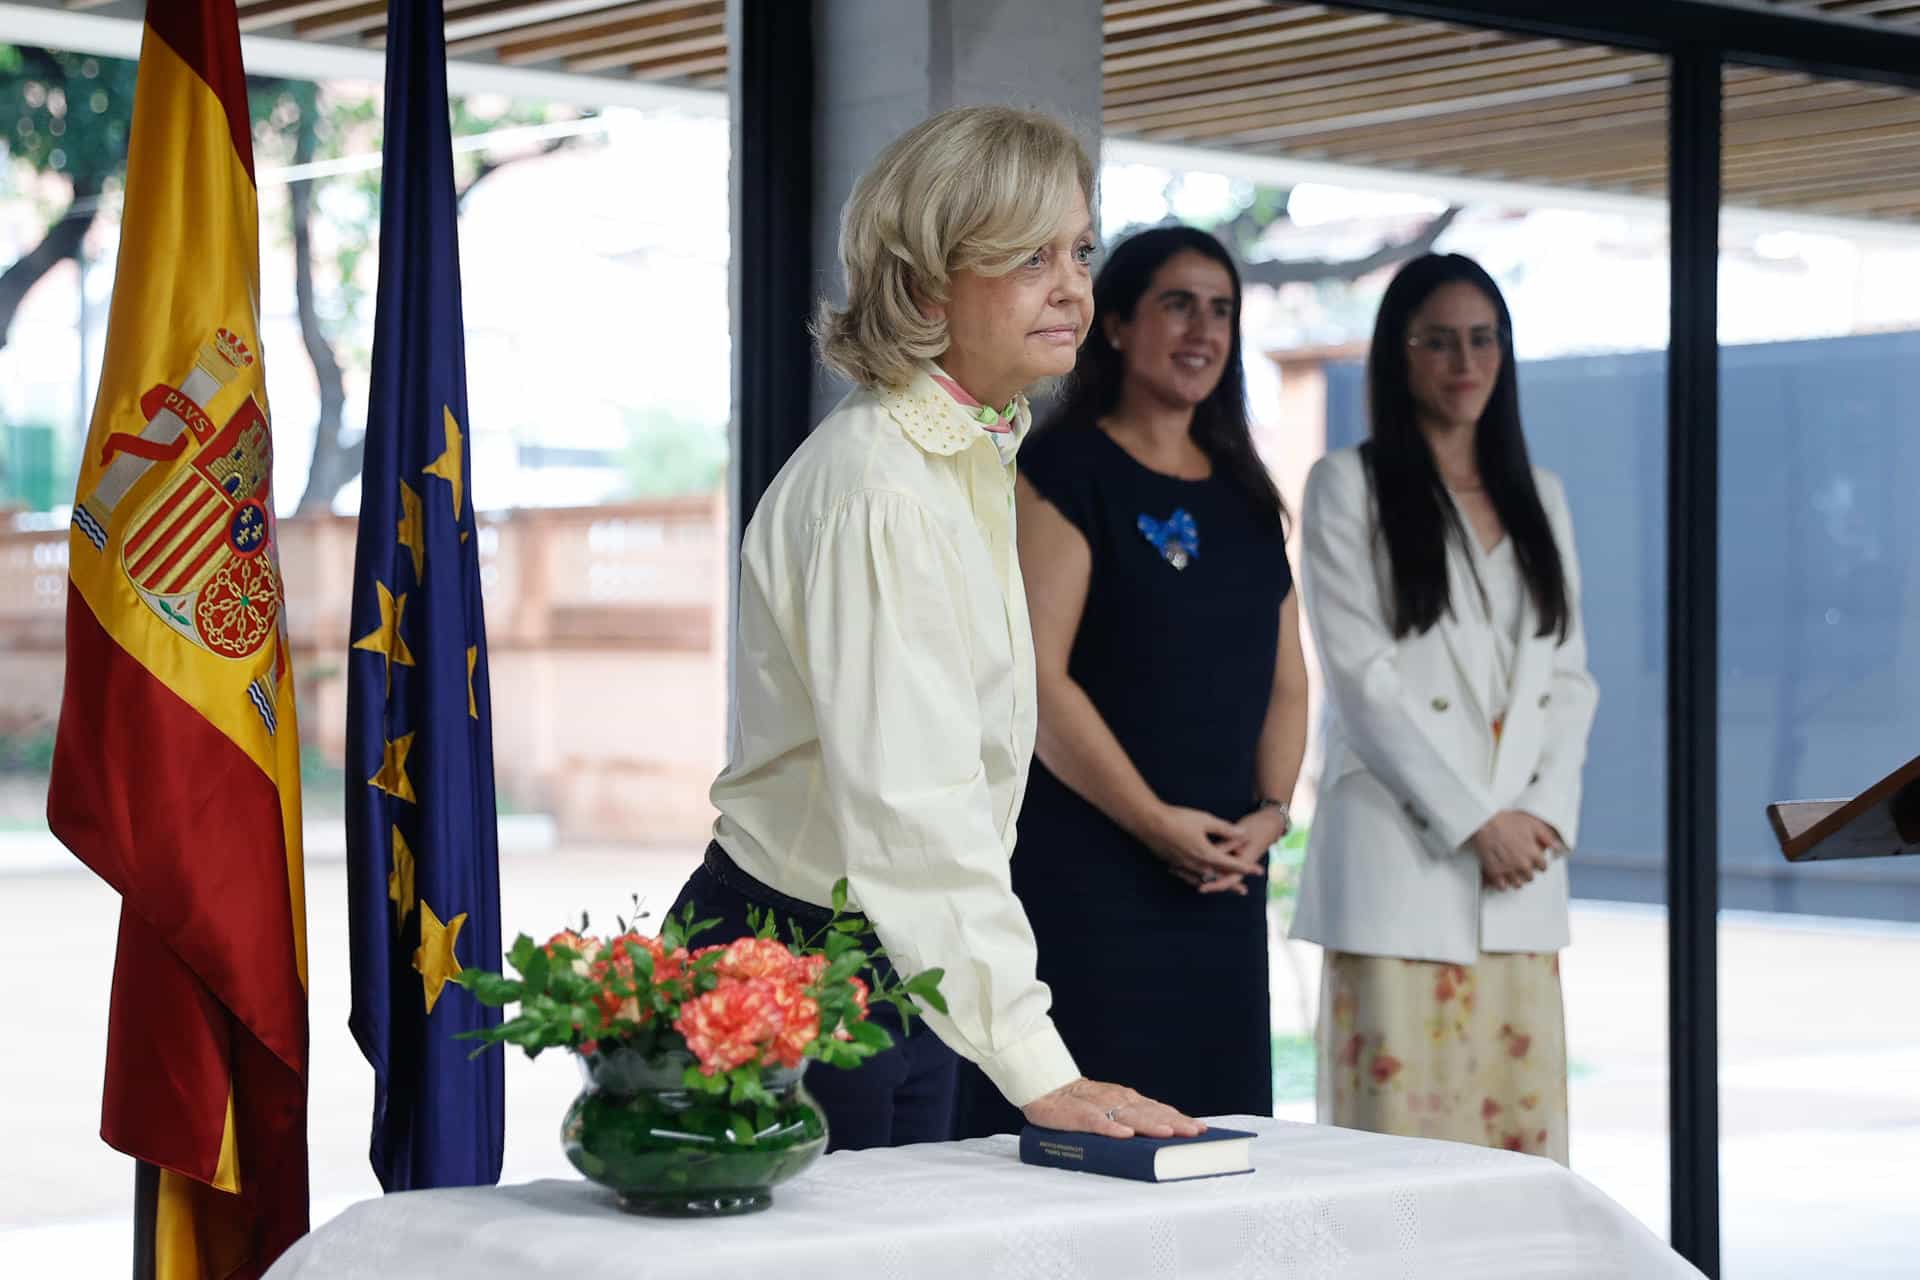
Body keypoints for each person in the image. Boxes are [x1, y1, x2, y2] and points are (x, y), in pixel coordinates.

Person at [667, 106, 1204, 1151]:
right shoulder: (884, 487)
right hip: (789, 963)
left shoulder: (964, 455)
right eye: (1026, 255)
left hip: (890, 953)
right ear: (924, 285)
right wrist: (1035, 1061)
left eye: (1079, 249)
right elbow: (914, 807)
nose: (1073, 285)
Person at [954, 226, 1308, 1139]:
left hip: (1222, 880)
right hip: (1094, 877)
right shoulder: (1066, 471)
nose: (1203, 329)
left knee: (1217, 1140)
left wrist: (1270, 815)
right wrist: (1157, 824)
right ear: (1113, 325)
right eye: (1178, 304)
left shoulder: (1244, 490)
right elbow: (1038, 676)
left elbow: (1289, 684)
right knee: (1090, 1143)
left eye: (1222, 309)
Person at [1291, 252, 1598, 1163]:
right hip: (1403, 857)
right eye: (1438, 342)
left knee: (1521, 1148)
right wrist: (1476, 821)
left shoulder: (1539, 496)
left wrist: (1540, 814)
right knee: (1398, 1153)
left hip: (1522, 870)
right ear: (1399, 355)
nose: (1465, 363)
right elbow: (1364, 681)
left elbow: (1570, 678)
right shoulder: (1347, 484)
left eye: (1483, 340)